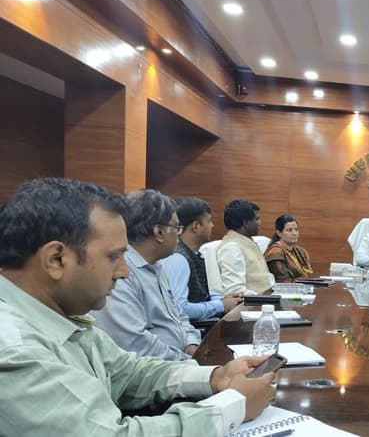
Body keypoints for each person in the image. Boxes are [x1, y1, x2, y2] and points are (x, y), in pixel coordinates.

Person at [0, 178, 276, 436]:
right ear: (56, 259)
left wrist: (215, 377)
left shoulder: (60, 314)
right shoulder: (15, 350)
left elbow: (128, 373)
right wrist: (231, 407)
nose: (124, 272)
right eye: (113, 257)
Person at [90, 189, 202, 360]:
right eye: (177, 228)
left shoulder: (156, 265)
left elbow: (179, 315)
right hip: (157, 369)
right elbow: (135, 344)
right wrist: (187, 362)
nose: (179, 235)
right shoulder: (120, 273)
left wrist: (191, 344)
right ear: (159, 232)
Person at [160, 197, 243, 320]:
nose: (212, 225)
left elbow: (200, 295)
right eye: (209, 221)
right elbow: (180, 309)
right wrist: (220, 305)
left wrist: (223, 300)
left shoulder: (194, 253)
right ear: (196, 226)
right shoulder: (178, 259)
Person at [217, 200, 274, 295]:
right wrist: (263, 298)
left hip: (268, 298)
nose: (260, 223)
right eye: (257, 219)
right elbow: (235, 291)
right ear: (246, 222)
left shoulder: (248, 241)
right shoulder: (231, 247)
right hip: (254, 302)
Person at [264, 214, 314, 282]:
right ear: (279, 233)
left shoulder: (300, 251)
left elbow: (307, 274)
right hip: (285, 288)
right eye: (289, 230)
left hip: (301, 286)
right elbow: (283, 280)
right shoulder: (275, 252)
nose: (294, 233)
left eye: (296, 230)